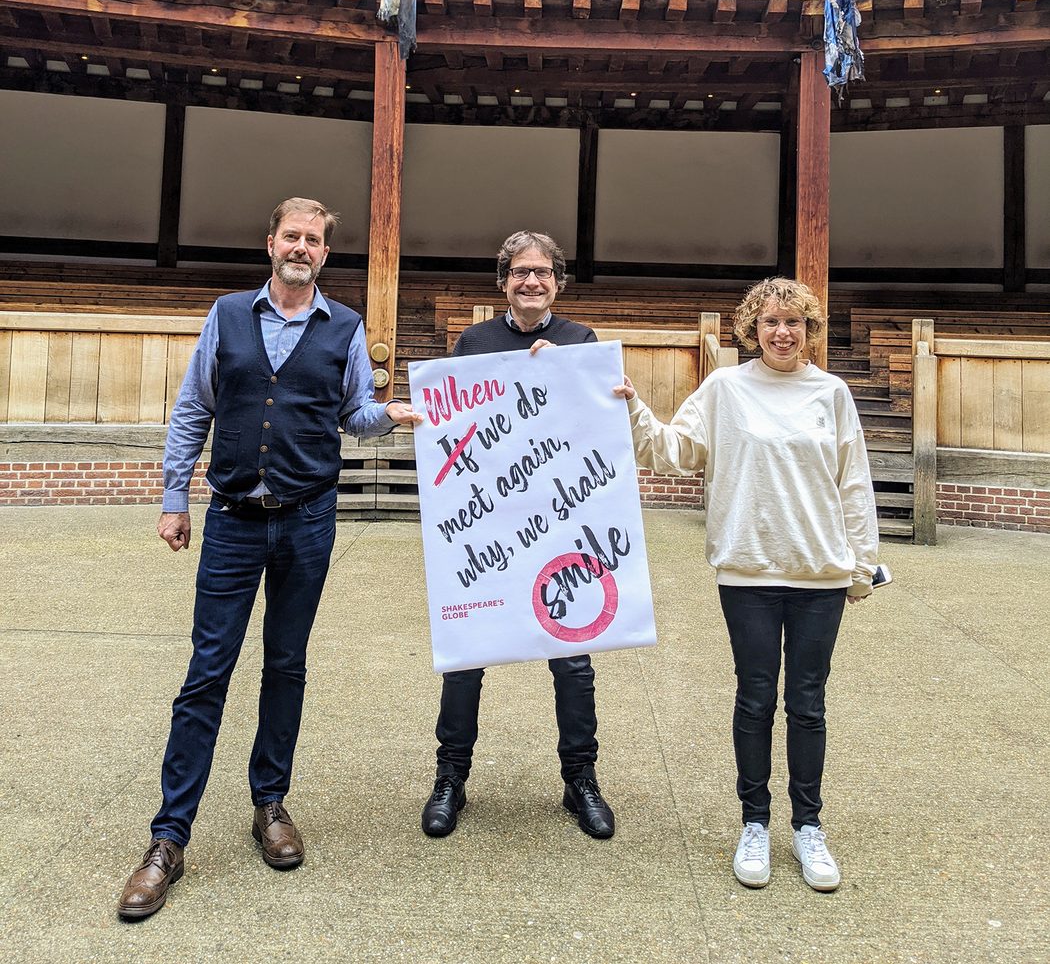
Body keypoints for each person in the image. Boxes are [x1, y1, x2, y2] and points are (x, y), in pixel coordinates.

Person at [117, 197, 421, 920]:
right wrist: (172, 498)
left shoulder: (345, 326)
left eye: (315, 240)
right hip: (231, 521)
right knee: (207, 672)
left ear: (324, 253)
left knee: (286, 664)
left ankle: (270, 804)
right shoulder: (226, 316)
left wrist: (395, 415)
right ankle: (168, 838)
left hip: (309, 521)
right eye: (293, 235)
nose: (303, 247)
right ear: (270, 243)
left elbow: (353, 414)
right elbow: (195, 408)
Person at [616, 277, 878, 892]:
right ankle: (754, 823)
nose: (782, 333)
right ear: (750, 330)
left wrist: (861, 567)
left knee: (808, 702)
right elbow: (673, 451)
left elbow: (854, 484)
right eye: (770, 323)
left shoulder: (832, 393)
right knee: (756, 697)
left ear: (810, 330)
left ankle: (808, 827)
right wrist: (630, 404)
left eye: (794, 322)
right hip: (748, 570)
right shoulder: (726, 389)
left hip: (818, 573)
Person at [420, 230, 616, 842]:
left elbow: (591, 427)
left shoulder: (581, 341)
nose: (532, 282)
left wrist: (607, 396)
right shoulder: (474, 343)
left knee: (573, 656)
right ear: (503, 280)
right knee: (468, 654)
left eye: (543, 273)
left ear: (558, 280)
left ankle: (580, 778)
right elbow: (456, 430)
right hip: (490, 518)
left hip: (559, 518)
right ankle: (450, 776)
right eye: (520, 272)